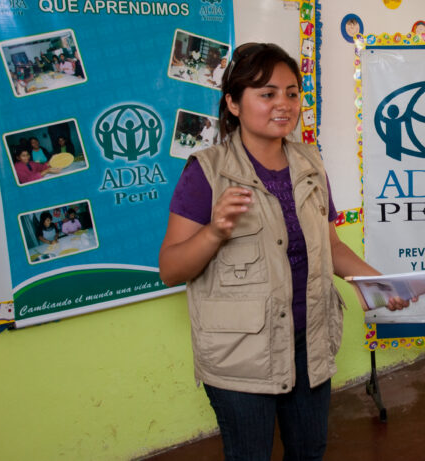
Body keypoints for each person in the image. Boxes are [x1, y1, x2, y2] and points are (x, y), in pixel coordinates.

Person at [159, 43, 412, 461]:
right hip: (241, 354)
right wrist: (214, 231)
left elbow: (330, 246)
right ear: (233, 104)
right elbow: (170, 269)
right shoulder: (206, 172)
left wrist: (377, 283)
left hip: (308, 341)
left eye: (292, 93)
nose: (284, 104)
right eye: (267, 93)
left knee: (309, 451)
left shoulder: (310, 164)